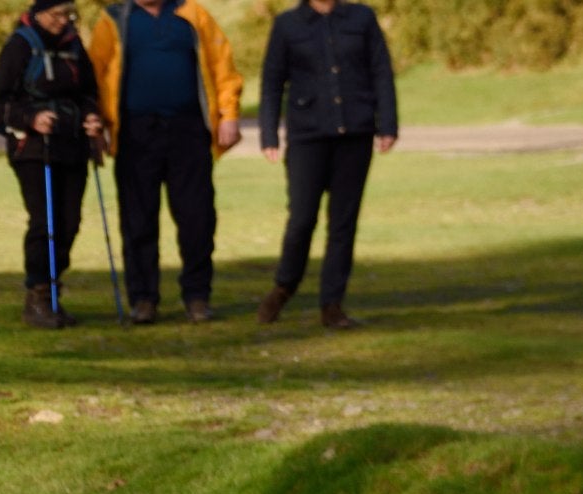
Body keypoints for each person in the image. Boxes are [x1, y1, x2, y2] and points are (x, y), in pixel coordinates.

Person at [88, 0, 246, 324]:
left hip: (188, 130)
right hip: (135, 132)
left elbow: (222, 66)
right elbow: (96, 72)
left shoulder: (193, 13)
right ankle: (143, 299)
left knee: (197, 217)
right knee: (138, 220)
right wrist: (98, 123)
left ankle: (197, 296)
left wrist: (229, 114)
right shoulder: (114, 19)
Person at [257, 0, 398, 330]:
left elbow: (381, 71)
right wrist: (268, 134)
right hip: (308, 136)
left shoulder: (362, 18)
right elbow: (272, 81)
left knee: (343, 223)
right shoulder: (287, 25)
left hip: (355, 133)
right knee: (302, 218)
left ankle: (332, 304)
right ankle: (284, 286)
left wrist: (387, 123)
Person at [0, 0, 109, 330]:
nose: (62, 21)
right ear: (39, 12)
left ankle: (54, 292)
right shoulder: (20, 46)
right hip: (33, 150)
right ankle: (38, 297)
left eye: (68, 14)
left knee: (69, 223)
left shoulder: (73, 45)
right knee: (46, 223)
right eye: (56, 14)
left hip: (72, 146)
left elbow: (88, 91)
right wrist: (30, 118)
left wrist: (92, 117)